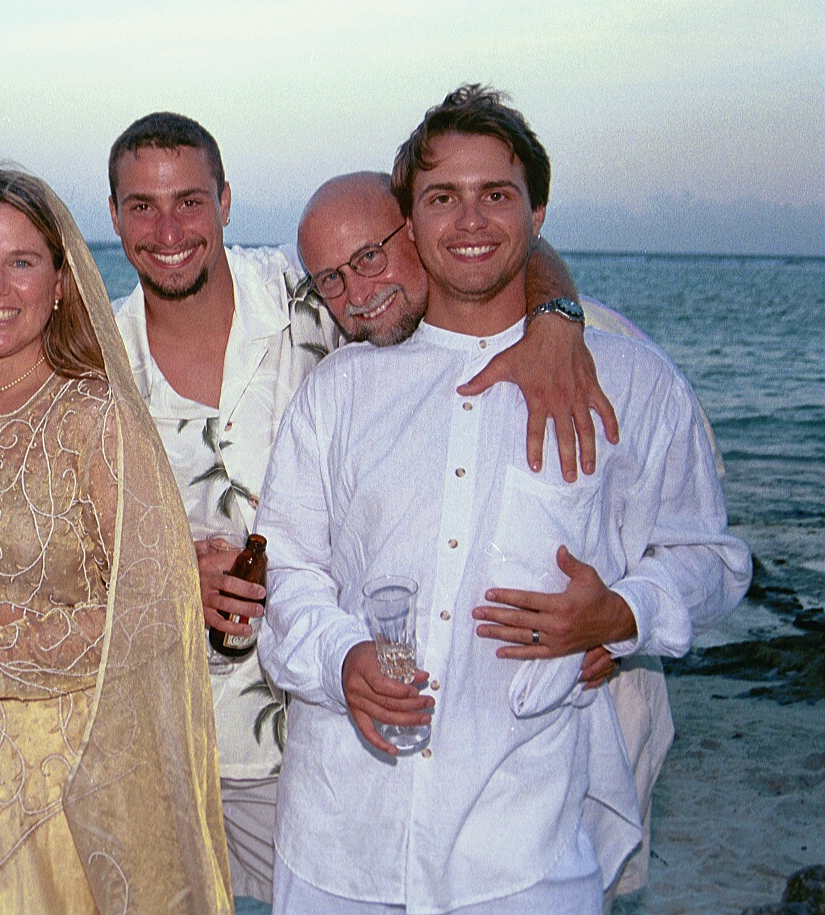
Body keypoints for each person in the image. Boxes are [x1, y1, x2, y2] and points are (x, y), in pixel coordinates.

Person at [255, 85, 750, 913]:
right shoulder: (339, 391)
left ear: (538, 212)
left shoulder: (630, 381)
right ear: (413, 221)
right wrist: (342, 659)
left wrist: (622, 613)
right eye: (442, 197)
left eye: (496, 194)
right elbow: (287, 567)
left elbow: (710, 557)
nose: (470, 220)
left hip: (527, 846)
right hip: (343, 838)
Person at [104, 112, 614, 906]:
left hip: (331, 750)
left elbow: (484, 244)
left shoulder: (314, 289)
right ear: (113, 217)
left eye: (189, 202)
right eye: (142, 206)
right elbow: (64, 542)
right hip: (163, 733)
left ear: (226, 201)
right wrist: (166, 579)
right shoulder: (95, 359)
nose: (168, 231)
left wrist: (556, 318)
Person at [0, 163, 231, 915]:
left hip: (52, 778)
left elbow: (155, 610)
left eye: (22, 262)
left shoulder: (97, 418)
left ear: (60, 283)